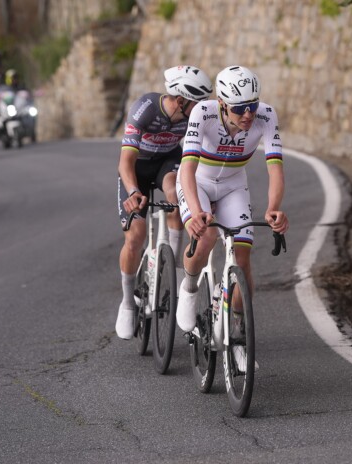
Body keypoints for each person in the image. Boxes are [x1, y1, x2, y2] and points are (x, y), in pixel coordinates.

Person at [175, 65, 289, 370]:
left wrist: (274, 207)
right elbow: (187, 169)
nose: (248, 114)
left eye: (252, 105)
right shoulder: (203, 113)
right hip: (197, 182)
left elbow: (275, 168)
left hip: (233, 185)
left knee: (242, 256)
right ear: (222, 104)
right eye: (240, 108)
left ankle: (238, 334)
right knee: (207, 236)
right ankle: (188, 288)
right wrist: (196, 212)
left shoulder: (266, 115)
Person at [115, 65, 213, 340]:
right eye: (198, 102)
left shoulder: (192, 117)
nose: (201, 107)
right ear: (181, 100)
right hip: (138, 168)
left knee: (175, 195)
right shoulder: (144, 109)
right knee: (135, 236)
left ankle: (171, 266)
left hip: (167, 162)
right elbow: (125, 161)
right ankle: (127, 302)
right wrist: (133, 191)